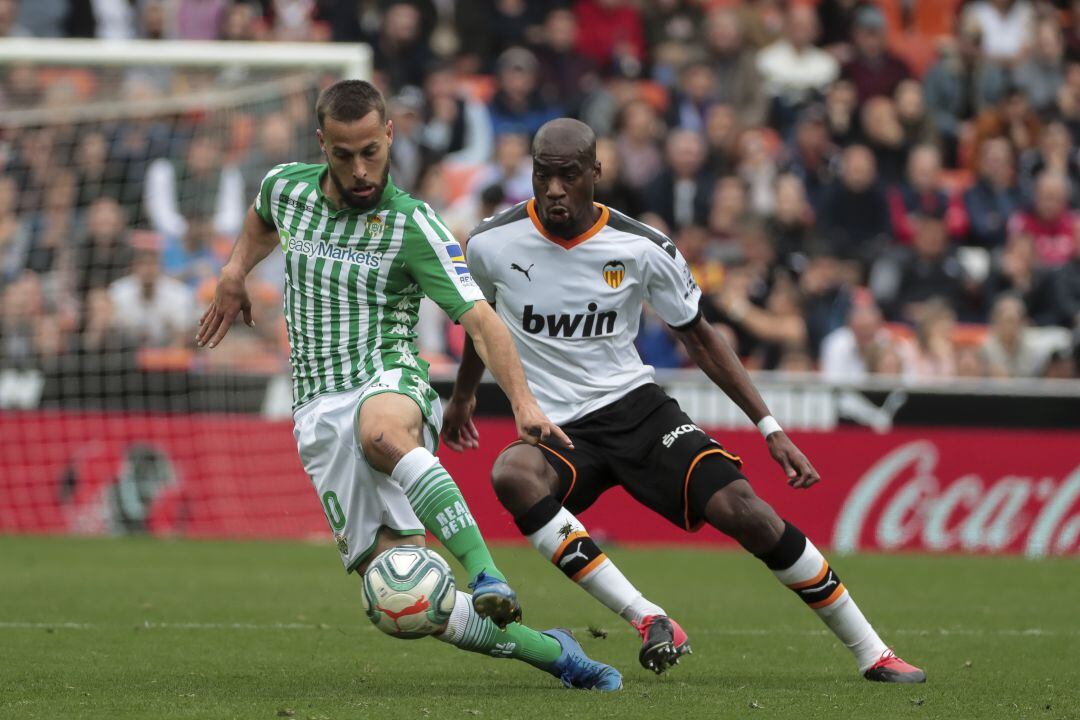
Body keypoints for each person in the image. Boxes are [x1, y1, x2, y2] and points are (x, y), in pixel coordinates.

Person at [444, 118, 926, 683]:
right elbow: (484, 323)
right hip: (558, 429)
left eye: (568, 176)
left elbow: (700, 336)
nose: (553, 190)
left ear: (595, 173)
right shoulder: (490, 244)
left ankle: (874, 652)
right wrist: (464, 396)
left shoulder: (642, 247)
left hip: (636, 409)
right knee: (512, 473)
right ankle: (649, 617)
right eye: (542, 175)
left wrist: (768, 425)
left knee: (744, 512)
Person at [195, 81, 621, 692]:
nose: (361, 169)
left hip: (386, 379)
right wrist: (235, 271)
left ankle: (485, 572)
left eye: (371, 150)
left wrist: (523, 404)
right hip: (316, 411)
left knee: (379, 433)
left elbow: (481, 320)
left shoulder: (415, 225)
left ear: (390, 134)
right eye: (344, 156)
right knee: (406, 594)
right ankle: (555, 655)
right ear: (323, 146)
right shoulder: (285, 186)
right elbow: (263, 218)